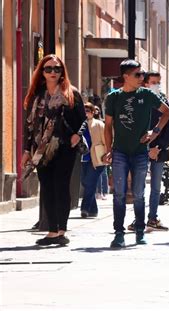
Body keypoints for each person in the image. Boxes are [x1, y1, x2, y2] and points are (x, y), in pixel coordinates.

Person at [103, 59, 169, 248]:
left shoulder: (147, 95)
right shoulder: (113, 97)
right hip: (120, 152)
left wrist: (154, 132)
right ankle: (119, 233)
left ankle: (140, 232)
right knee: (119, 194)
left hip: (141, 153)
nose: (142, 77)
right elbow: (108, 127)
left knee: (139, 194)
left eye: (142, 74)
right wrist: (108, 150)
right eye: (138, 75)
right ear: (126, 76)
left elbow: (167, 112)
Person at [21, 54, 86, 245]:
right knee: (47, 188)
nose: (52, 72)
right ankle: (51, 231)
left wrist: (77, 135)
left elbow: (83, 120)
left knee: (61, 186)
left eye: (56, 69)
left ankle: (61, 230)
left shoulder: (70, 93)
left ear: (62, 71)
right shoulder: (37, 94)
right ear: (42, 72)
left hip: (64, 146)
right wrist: (26, 151)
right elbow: (30, 126)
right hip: (41, 150)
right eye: (48, 69)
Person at [127, 70, 169, 232]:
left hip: (158, 151)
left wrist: (158, 147)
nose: (157, 85)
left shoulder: (165, 102)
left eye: (158, 82)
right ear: (145, 83)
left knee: (156, 187)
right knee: (138, 187)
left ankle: (152, 218)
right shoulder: (136, 101)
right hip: (138, 150)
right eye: (153, 82)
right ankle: (138, 219)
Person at [79, 102, 106, 218]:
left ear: (93, 112)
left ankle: (84, 208)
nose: (86, 114)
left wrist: (107, 154)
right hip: (82, 159)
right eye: (84, 111)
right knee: (85, 183)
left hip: (97, 159)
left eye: (88, 111)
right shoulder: (79, 125)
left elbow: (107, 140)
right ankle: (93, 210)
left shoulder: (99, 125)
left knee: (90, 183)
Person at [94, 105, 109, 200]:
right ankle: (101, 192)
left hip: (100, 149)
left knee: (102, 172)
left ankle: (102, 192)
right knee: (101, 172)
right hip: (97, 149)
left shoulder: (101, 123)